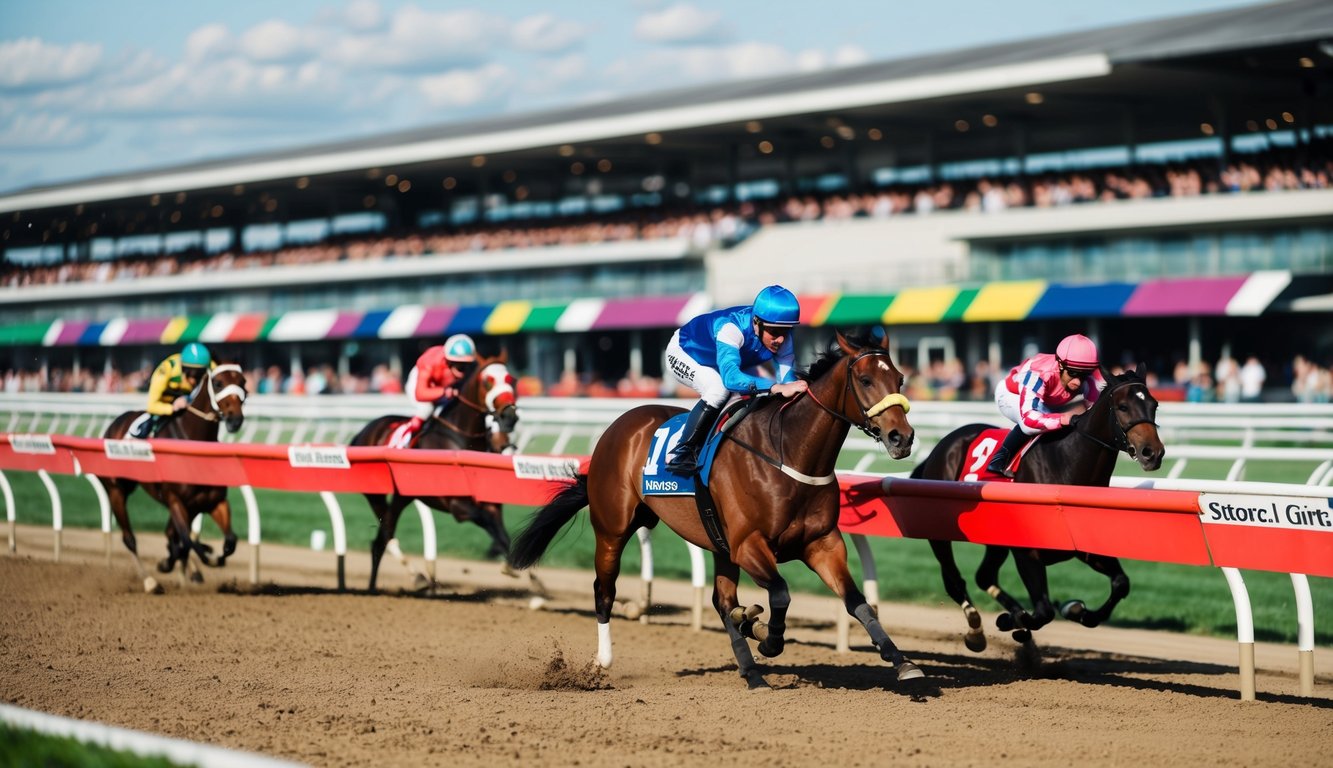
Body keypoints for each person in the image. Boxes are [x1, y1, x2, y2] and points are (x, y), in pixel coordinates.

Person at [662, 285, 809, 474]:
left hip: (728, 360)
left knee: (762, 387)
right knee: (718, 390)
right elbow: (731, 379)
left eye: (785, 331)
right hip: (686, 352)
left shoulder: (782, 338)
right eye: (774, 331)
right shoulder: (731, 328)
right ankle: (681, 451)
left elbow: (787, 383)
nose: (780, 340)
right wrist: (774, 387)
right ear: (756, 322)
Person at [985, 333, 1106, 478]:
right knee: (1034, 424)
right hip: (1011, 394)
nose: (1078, 382)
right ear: (1060, 364)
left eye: (1084, 375)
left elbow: (1098, 411)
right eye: (1073, 373)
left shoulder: (1086, 377)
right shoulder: (1040, 374)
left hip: (1046, 401)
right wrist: (1065, 419)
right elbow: (1029, 420)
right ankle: (1000, 459)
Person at [394, 334, 477, 448]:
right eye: (459, 365)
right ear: (448, 361)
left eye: (466, 365)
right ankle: (404, 440)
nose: (463, 370)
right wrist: (444, 392)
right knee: (426, 409)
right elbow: (420, 394)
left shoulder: (470, 367)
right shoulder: (430, 361)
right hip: (422, 385)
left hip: (446, 387)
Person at [133, 342, 212, 438]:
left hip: (187, 405)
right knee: (145, 429)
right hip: (163, 408)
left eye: (199, 375)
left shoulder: (208, 364)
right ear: (183, 369)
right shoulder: (164, 372)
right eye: (192, 374)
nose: (194, 380)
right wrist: (173, 408)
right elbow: (151, 406)